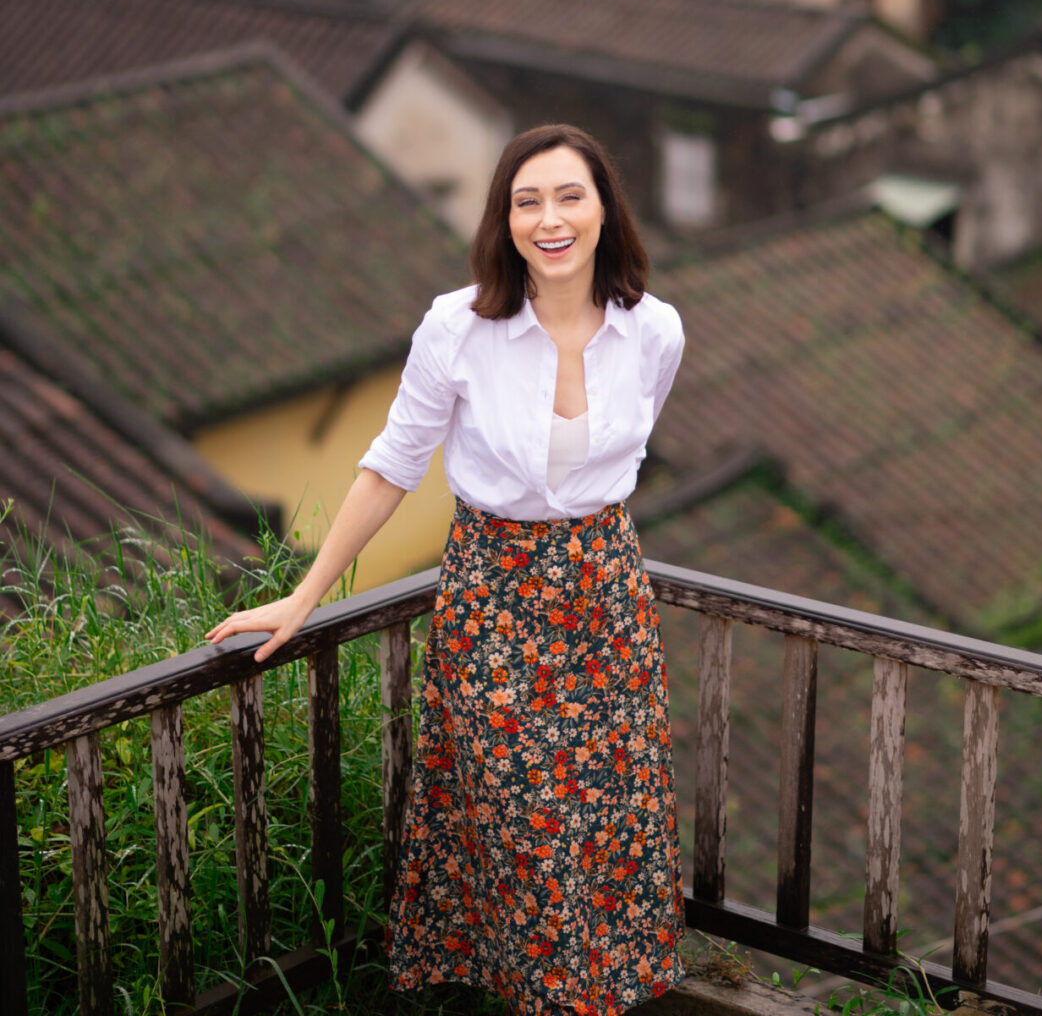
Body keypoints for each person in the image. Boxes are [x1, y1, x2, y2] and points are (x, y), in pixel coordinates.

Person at [205, 123, 687, 1016]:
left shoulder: (653, 331)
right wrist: (304, 598)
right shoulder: (460, 328)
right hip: (493, 605)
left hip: (607, 603)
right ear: (504, 221)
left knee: (611, 827)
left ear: (603, 210)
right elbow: (391, 466)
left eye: (569, 196)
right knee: (523, 840)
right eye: (526, 201)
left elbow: (621, 463)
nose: (550, 219)